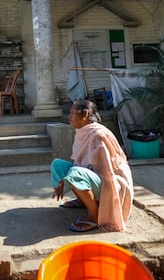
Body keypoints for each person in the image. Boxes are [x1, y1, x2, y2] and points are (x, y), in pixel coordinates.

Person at [51, 99, 134, 232]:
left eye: (72, 114)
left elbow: (105, 171)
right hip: (95, 176)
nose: (69, 117)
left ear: (84, 114)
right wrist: (63, 181)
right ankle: (83, 200)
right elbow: (81, 163)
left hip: (111, 182)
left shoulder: (97, 135)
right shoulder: (83, 131)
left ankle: (94, 215)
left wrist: (69, 178)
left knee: (75, 173)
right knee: (57, 165)